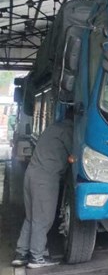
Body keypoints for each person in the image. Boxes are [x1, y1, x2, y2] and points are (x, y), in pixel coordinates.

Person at [12, 110, 74, 268]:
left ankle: (21, 254)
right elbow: (74, 156)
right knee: (43, 219)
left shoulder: (53, 127)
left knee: (31, 217)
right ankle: (36, 257)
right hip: (45, 179)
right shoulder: (69, 131)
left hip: (31, 174)